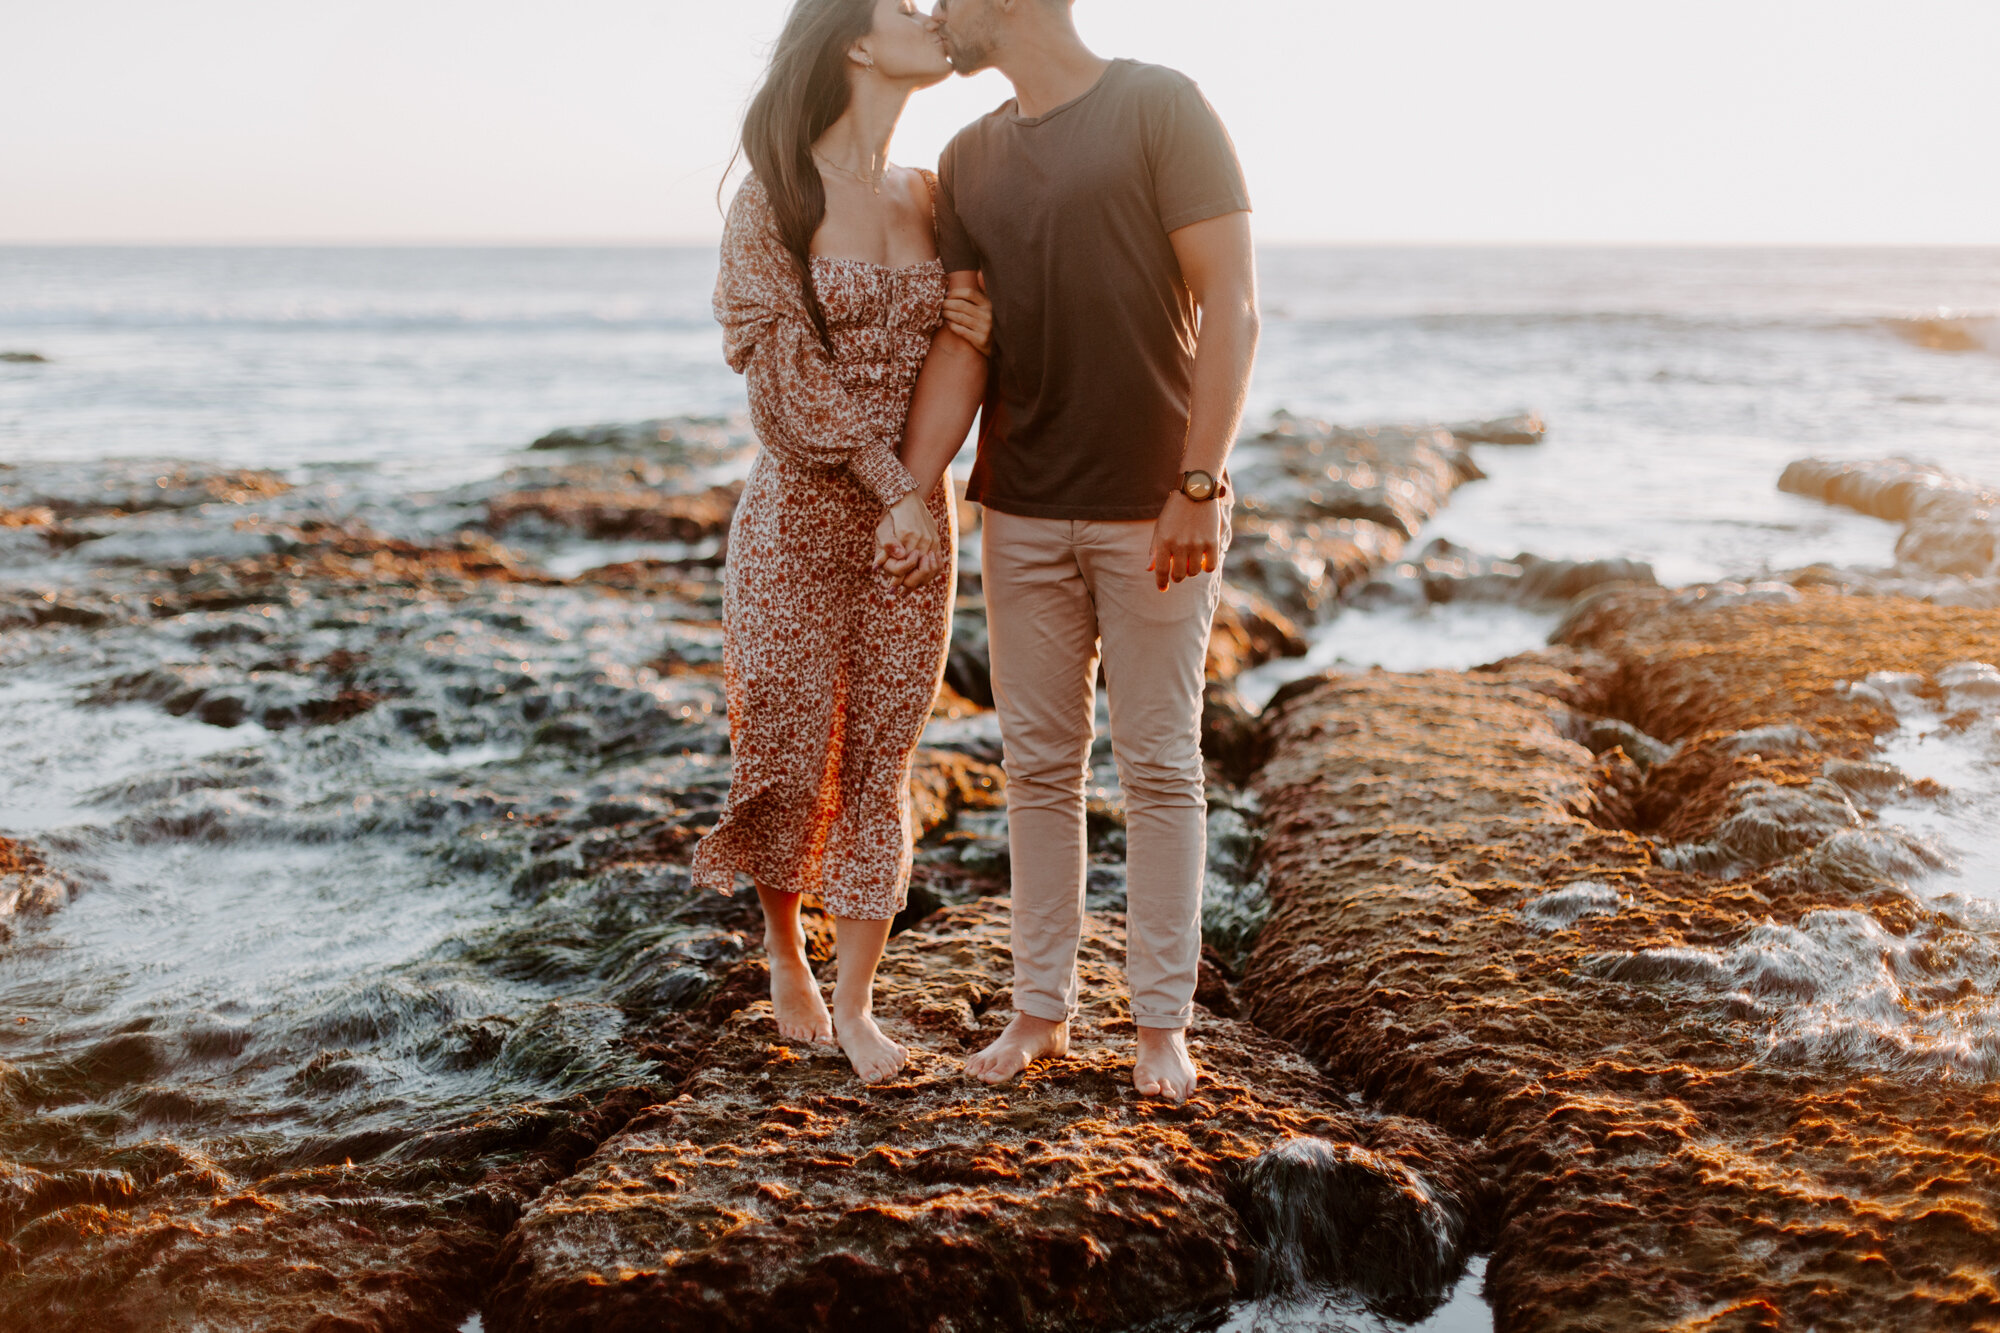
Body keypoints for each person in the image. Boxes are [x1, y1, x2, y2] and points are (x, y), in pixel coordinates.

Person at [889, 0, 1261, 1103]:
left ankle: (1159, 1028)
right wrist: (910, 489)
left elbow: (1231, 302)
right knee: (1038, 770)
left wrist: (1198, 480)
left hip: (1155, 507)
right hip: (1020, 510)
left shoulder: (1160, 107)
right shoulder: (964, 157)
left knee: (1156, 764)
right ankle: (1038, 1015)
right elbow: (966, 345)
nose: (936, 13)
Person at [690, 0, 995, 1085]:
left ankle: (860, 1003)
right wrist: (888, 489)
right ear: (856, 43)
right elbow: (783, 382)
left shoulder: (935, 195)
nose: (929, 13)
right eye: (905, 4)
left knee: (879, 754)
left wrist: (919, 492)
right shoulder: (773, 200)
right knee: (783, 738)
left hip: (913, 522)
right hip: (799, 513)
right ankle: (784, 952)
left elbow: (970, 348)